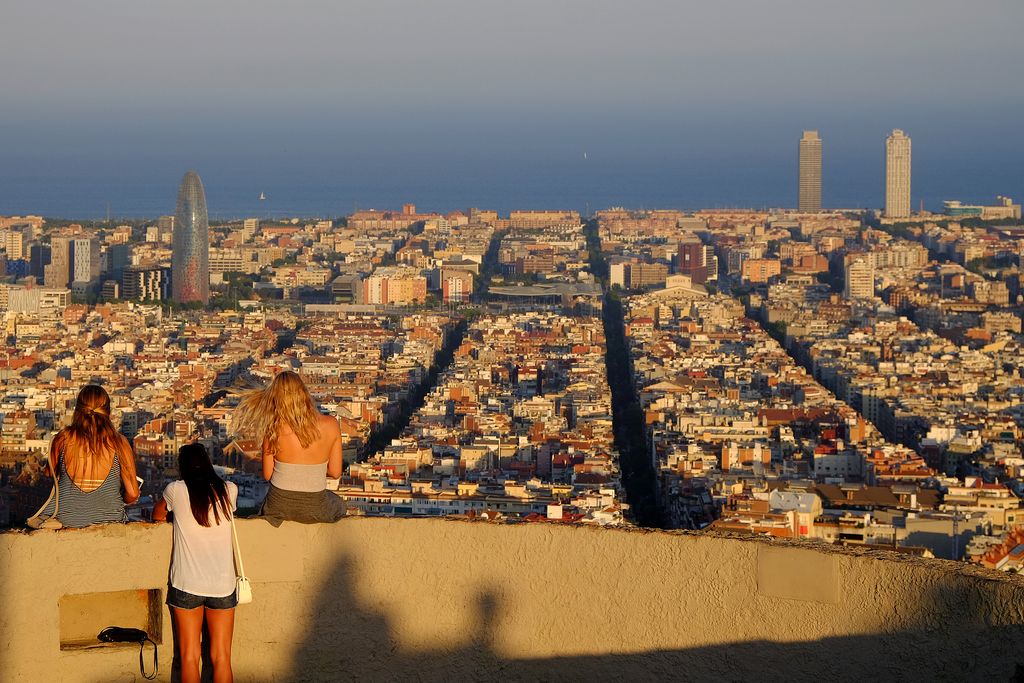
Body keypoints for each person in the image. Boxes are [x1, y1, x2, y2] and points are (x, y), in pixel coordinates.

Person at [152, 443, 238, 683]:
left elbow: (157, 514)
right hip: (223, 585)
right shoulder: (229, 489)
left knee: (189, 657)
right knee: (222, 658)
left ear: (182, 467)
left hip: (186, 583)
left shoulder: (175, 490)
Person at [231, 370, 345, 525]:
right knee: (338, 504)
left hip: (278, 505)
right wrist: (310, 469)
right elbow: (335, 472)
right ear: (304, 393)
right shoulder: (331, 424)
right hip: (315, 506)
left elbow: (268, 475)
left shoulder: (272, 428)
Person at [36, 384, 140, 527]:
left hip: (66, 522)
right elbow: (133, 493)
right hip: (110, 523)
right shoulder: (119, 442)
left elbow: (50, 474)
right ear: (108, 411)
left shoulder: (62, 438)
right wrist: (118, 496)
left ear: (78, 409)